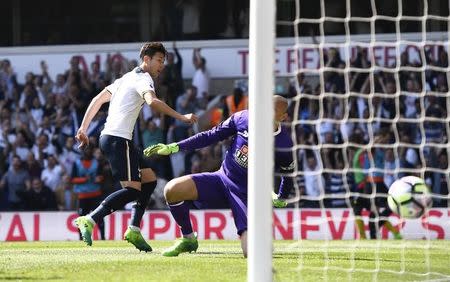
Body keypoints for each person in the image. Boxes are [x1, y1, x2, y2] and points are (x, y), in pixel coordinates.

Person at [74, 42, 198, 252]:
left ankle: (133, 228)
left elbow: (98, 99)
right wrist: (181, 116)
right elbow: (153, 102)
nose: (162, 65)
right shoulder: (143, 79)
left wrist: (83, 128)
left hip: (117, 139)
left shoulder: (126, 78)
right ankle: (90, 219)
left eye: (163, 61)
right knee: (132, 190)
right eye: (159, 60)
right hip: (117, 140)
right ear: (146, 59)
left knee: (149, 181)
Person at [144, 95, 294, 257]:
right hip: (222, 179)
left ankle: (259, 238)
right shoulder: (243, 118)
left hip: (246, 194)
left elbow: (288, 173)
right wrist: (174, 147)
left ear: (283, 117)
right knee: (172, 189)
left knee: (251, 254)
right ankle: (188, 239)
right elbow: (211, 136)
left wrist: (282, 196)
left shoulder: (284, 144)